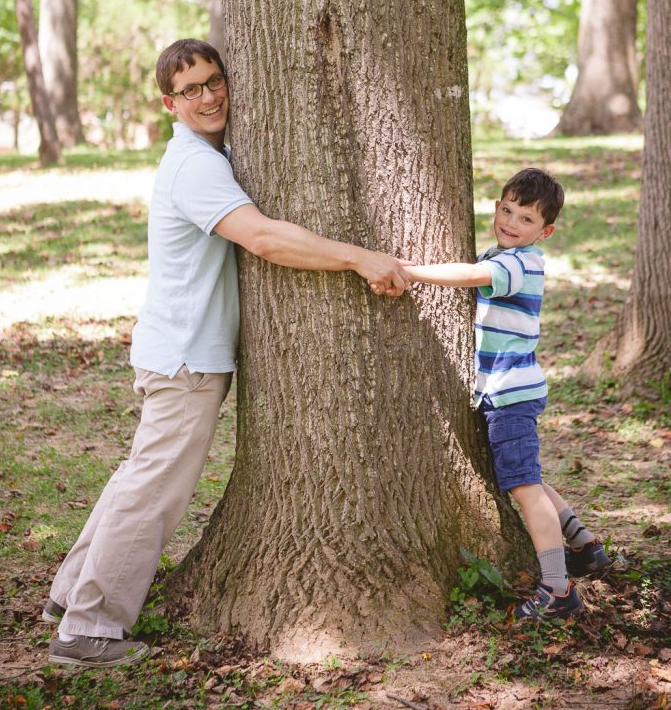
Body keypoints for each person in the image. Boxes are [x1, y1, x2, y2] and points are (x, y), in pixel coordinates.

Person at [44, 38, 410, 668]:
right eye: (190, 90)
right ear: (169, 103)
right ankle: (88, 630)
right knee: (154, 490)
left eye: (214, 81)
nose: (208, 96)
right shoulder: (196, 166)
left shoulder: (214, 155)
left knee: (139, 478)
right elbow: (264, 238)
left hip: (176, 350)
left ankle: (70, 595)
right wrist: (360, 256)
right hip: (185, 358)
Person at [388, 168, 611, 622]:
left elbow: (471, 274)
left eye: (526, 219)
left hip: (510, 395)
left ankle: (557, 590)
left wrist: (407, 271)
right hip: (511, 392)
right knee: (527, 476)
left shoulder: (517, 263)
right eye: (507, 210)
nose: (511, 222)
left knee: (525, 487)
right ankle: (586, 547)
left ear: (545, 231)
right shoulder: (504, 254)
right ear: (496, 207)